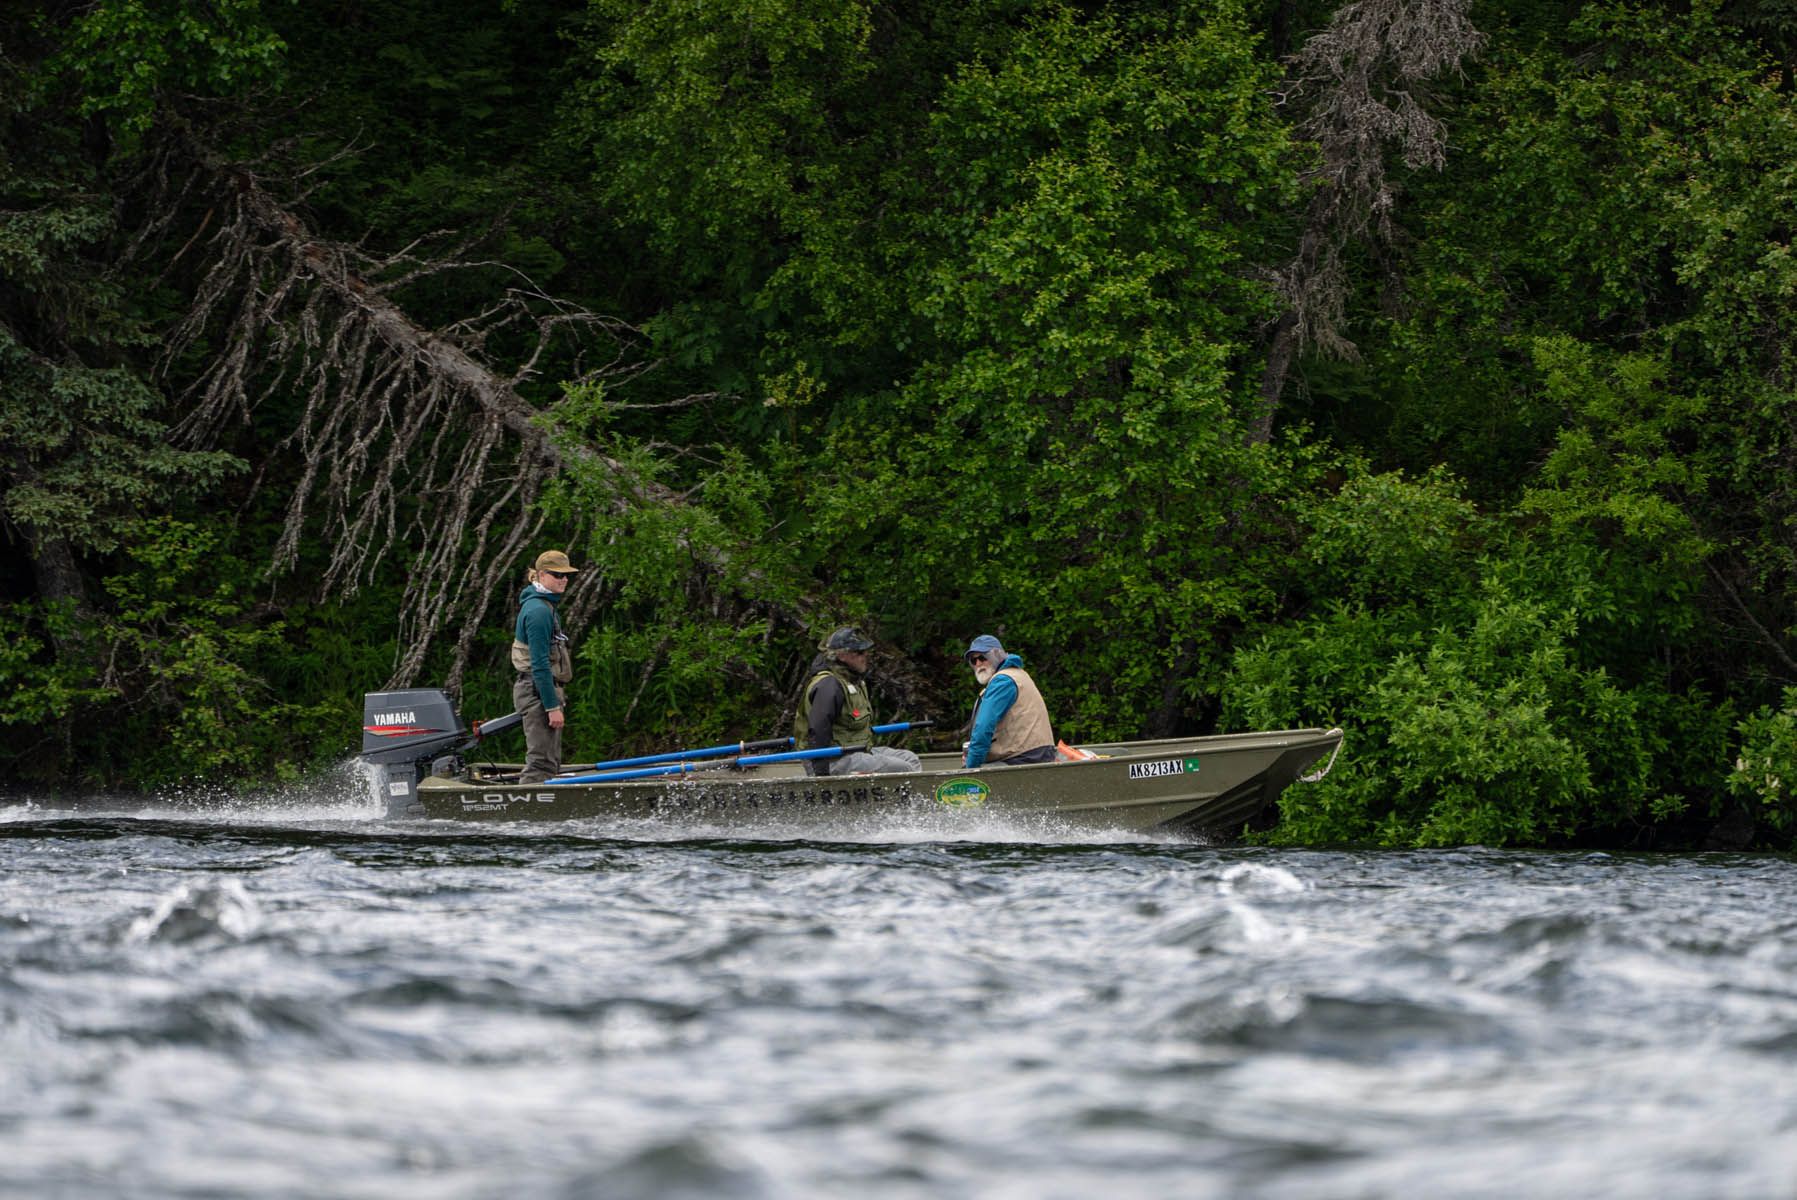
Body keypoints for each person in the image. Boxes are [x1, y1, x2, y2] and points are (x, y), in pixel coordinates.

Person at [793, 627, 923, 776]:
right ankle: (902, 797)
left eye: (866, 651)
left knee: (910, 759)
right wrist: (822, 778)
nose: (865, 656)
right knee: (901, 768)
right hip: (831, 760)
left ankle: (910, 797)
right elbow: (817, 731)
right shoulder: (829, 685)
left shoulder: (854, 681)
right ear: (842, 655)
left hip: (856, 751)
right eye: (859, 652)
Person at [511, 549, 579, 783]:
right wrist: (551, 706)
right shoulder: (539, 611)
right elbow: (539, 664)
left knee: (550, 761)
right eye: (556, 574)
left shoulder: (544, 605)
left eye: (566, 575)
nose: (563, 579)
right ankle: (527, 812)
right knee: (541, 762)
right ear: (540, 575)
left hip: (541, 689)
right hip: (537, 691)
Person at [962, 634, 1057, 768]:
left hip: (1024, 759)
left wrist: (970, 768)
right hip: (1036, 756)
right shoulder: (1018, 674)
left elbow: (983, 729)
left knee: (967, 784)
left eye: (982, 657)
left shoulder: (1002, 681)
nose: (978, 664)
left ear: (997, 655)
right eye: (973, 660)